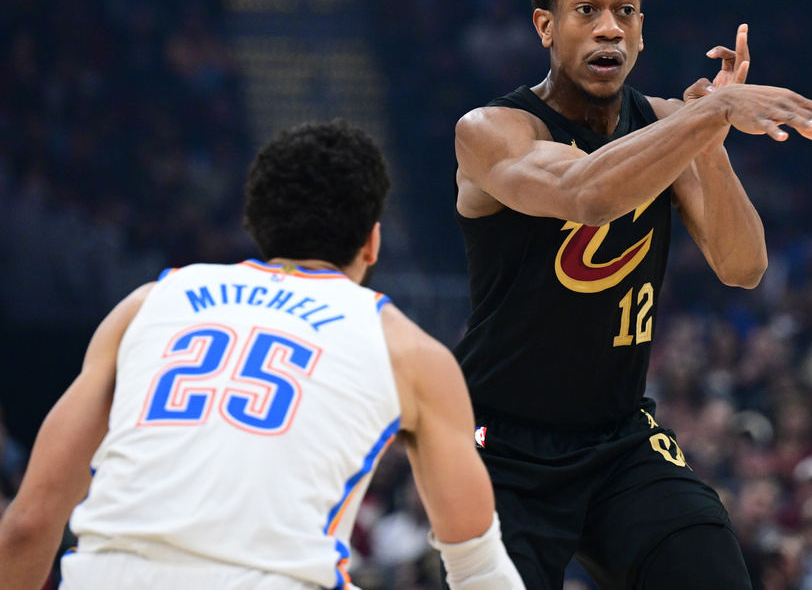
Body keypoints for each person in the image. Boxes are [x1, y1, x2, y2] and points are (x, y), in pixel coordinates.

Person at [452, 0, 812, 590]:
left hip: (618, 438)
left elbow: (742, 265)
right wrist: (708, 113)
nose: (609, 28)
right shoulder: (493, 130)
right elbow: (584, 194)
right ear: (545, 26)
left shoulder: (670, 122)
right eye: (587, 10)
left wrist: (711, 140)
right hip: (501, 447)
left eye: (625, 12)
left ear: (641, 32)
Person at [0, 120, 525, 590]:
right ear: (372, 242)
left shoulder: (147, 303)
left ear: (257, 226)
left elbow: (28, 525)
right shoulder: (409, 350)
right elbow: (476, 567)